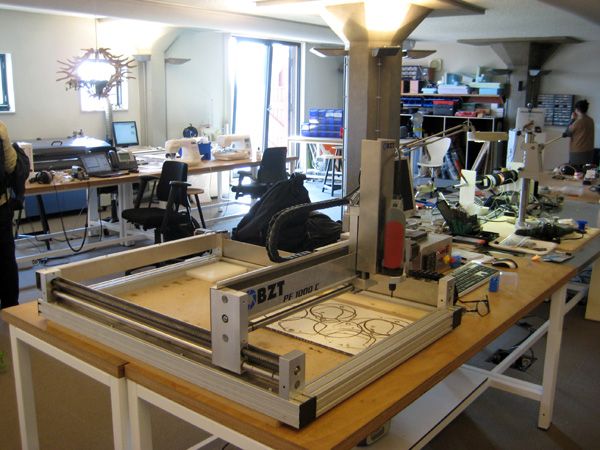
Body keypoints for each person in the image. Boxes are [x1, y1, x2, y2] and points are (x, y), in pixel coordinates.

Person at [0, 120, 19, 309]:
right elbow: (11, 165)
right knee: (6, 259)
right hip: (0, 206)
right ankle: (11, 307)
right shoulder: (0, 128)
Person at [563, 99, 595, 166]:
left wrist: (572, 119)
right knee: (586, 171)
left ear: (577, 110)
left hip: (578, 152)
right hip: (589, 151)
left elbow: (566, 133)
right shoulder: (590, 120)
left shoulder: (577, 122)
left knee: (575, 172)